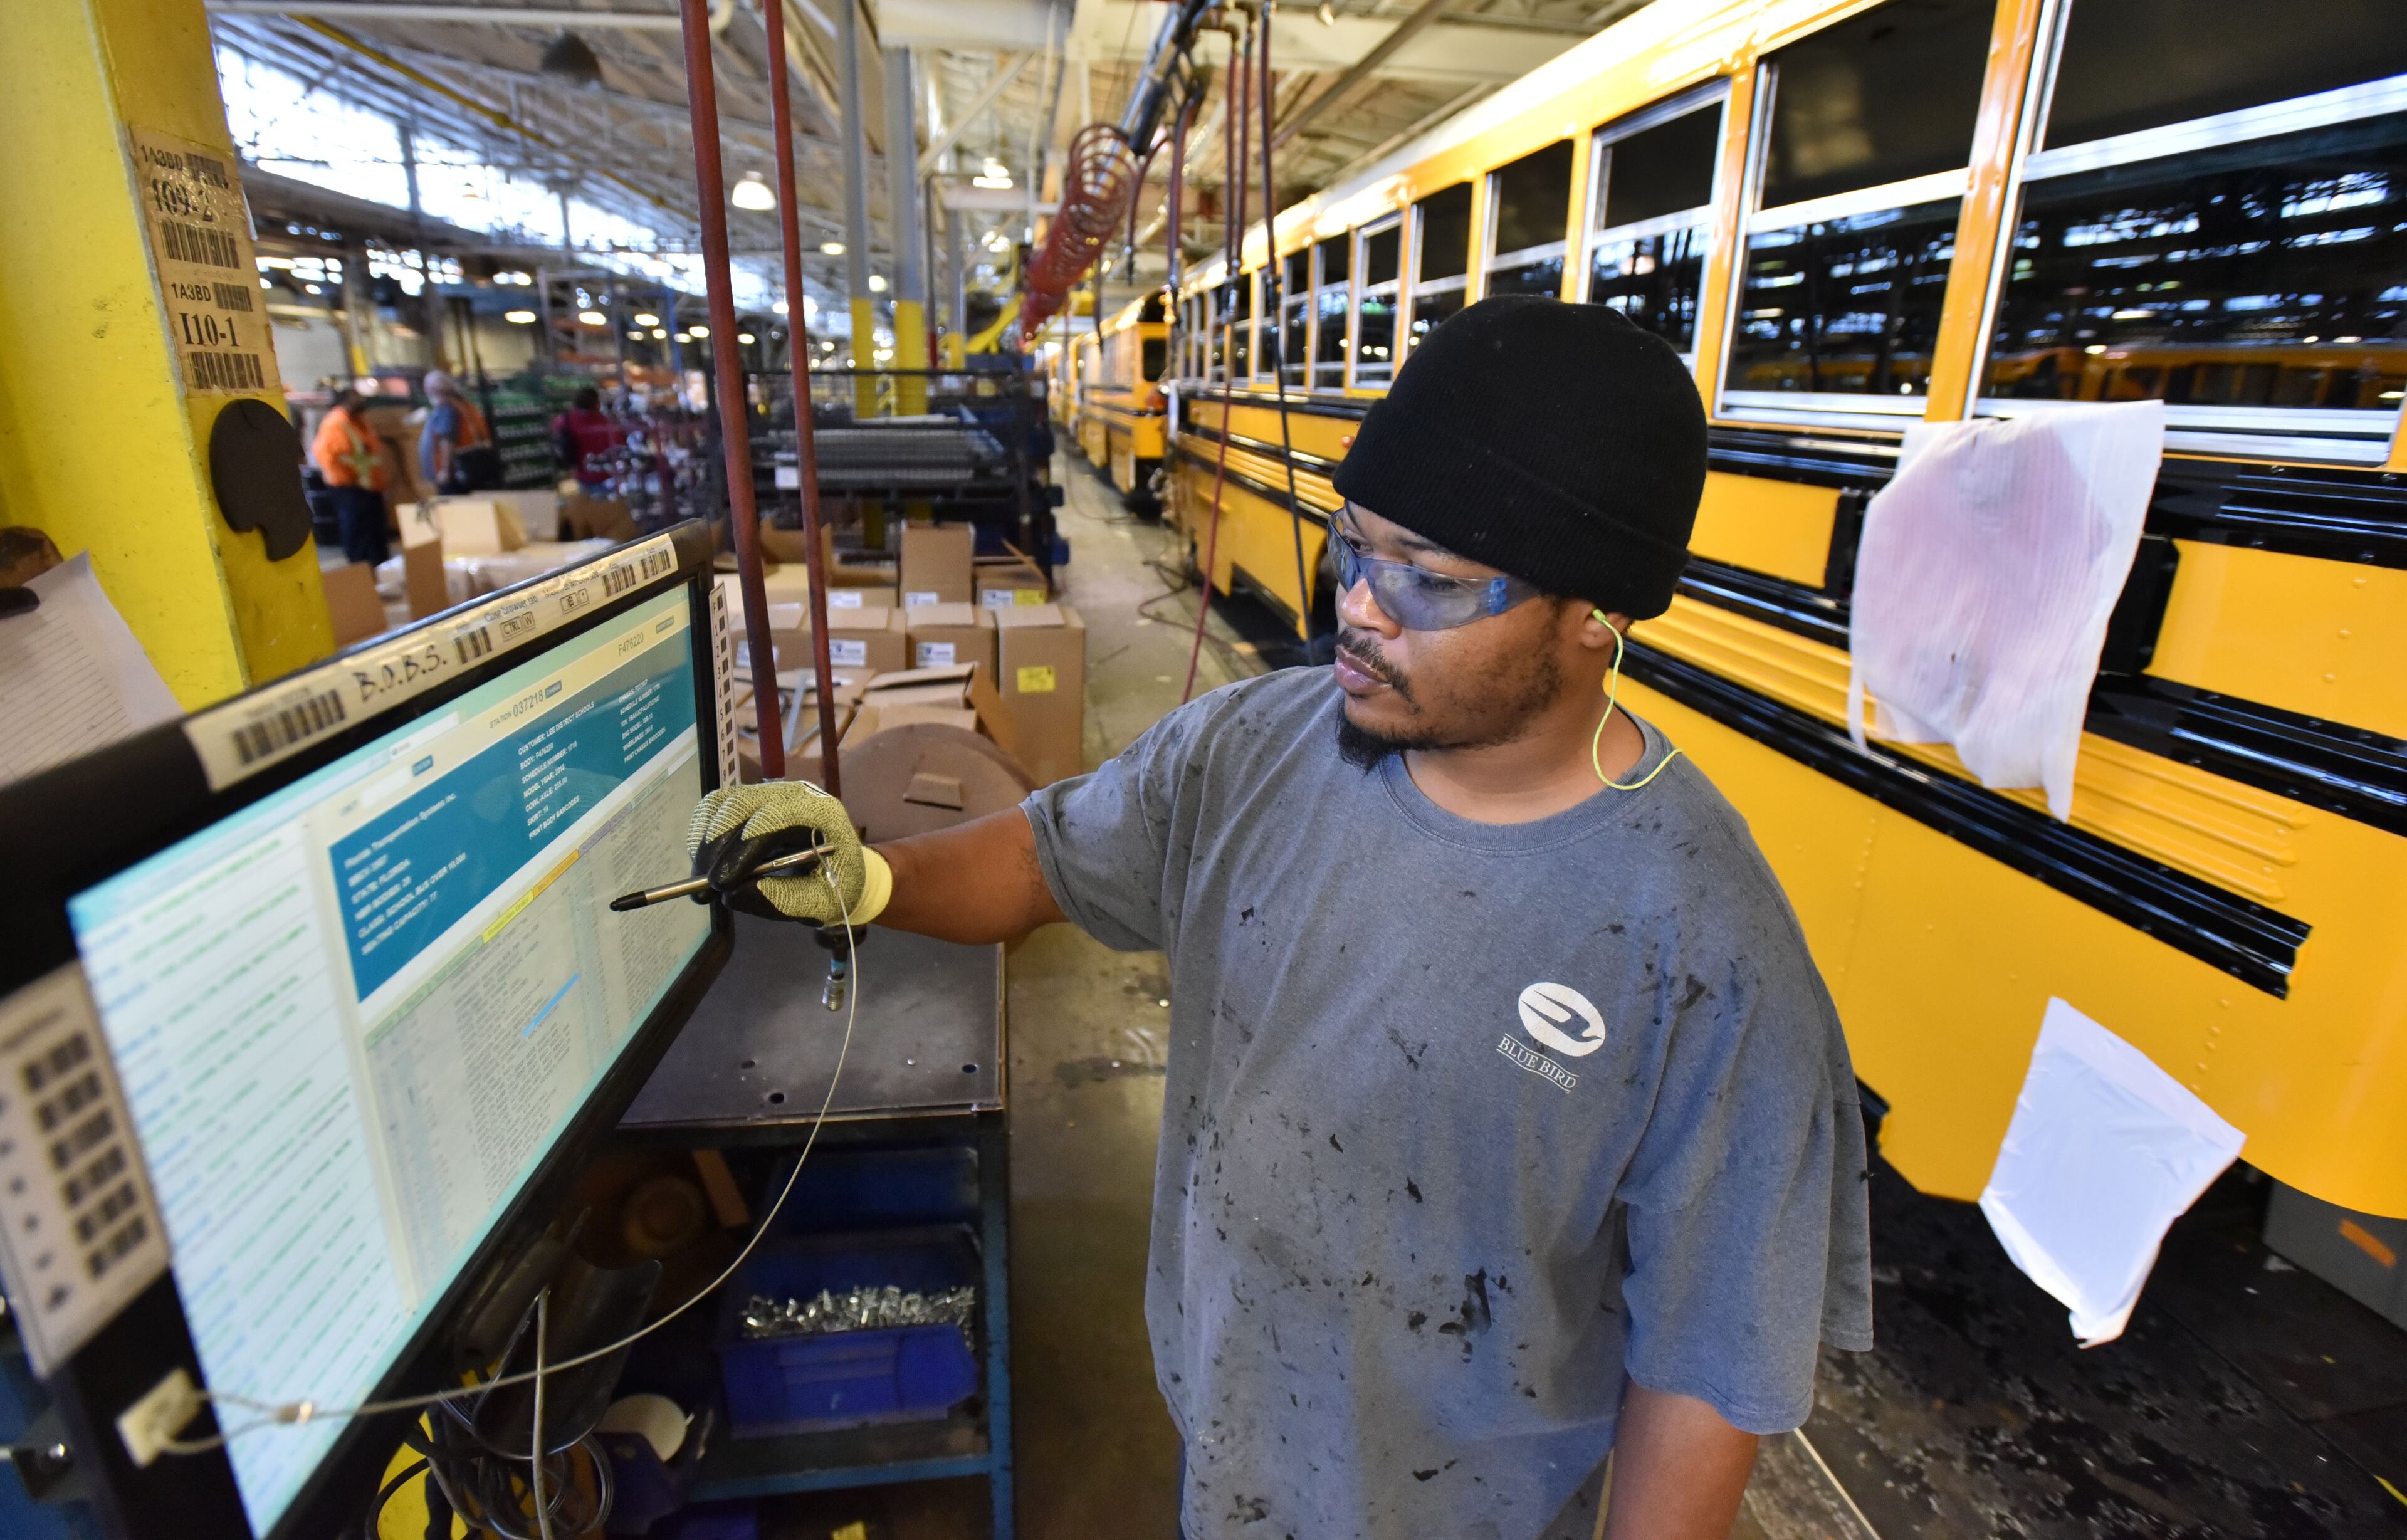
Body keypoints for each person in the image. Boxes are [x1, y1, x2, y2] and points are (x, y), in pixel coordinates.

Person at [686, 298, 1873, 1540]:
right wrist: (871, 879)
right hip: (1231, 1452)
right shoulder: (1254, 747)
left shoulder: (1707, 953)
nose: (1362, 604)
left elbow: (1706, 1362)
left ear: (1597, 614)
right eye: (1354, 546)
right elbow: (1044, 860)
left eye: (1431, 579)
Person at [308, 385, 391, 565]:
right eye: (356, 397)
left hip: (369, 488)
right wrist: (351, 479)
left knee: (375, 534)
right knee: (357, 533)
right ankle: (361, 571)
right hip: (350, 489)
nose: (362, 400)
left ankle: (380, 568)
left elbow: (369, 452)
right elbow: (328, 457)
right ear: (345, 400)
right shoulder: (336, 424)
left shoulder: (358, 421)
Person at [419, 369, 497, 494]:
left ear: (432, 390)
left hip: (455, 473)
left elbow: (447, 439)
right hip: (472, 468)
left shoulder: (446, 409)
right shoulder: (462, 405)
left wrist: (445, 470)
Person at [552, 385, 622, 489]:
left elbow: (556, 434)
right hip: (607, 476)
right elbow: (618, 444)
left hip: (582, 474)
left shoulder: (566, 420)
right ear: (596, 402)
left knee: (588, 502)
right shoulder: (605, 421)